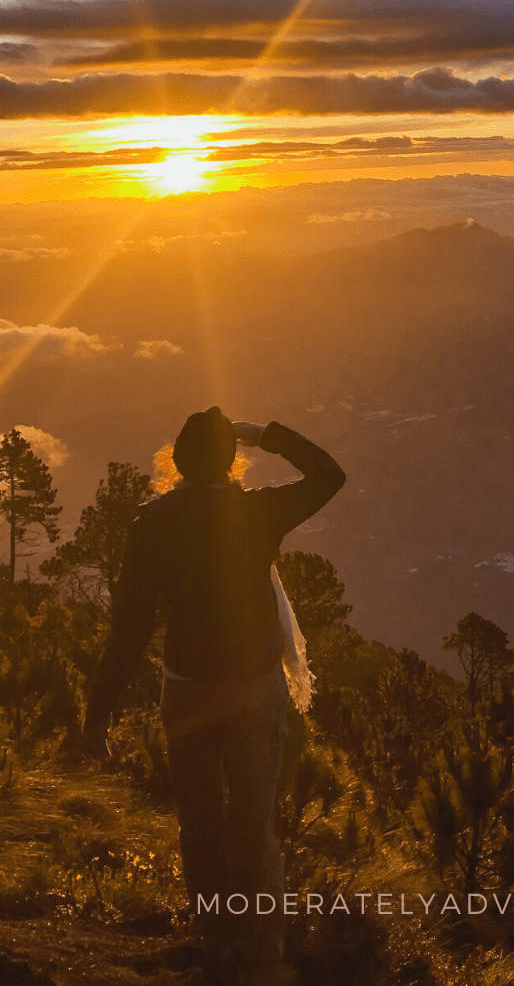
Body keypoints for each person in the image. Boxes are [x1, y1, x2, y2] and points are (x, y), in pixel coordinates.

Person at [84, 407, 346, 986]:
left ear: (176, 463)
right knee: (252, 828)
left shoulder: (151, 523)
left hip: (186, 688)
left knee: (199, 823)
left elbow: (128, 630)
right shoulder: (257, 512)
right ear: (231, 461)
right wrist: (265, 435)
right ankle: (257, 956)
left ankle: (217, 950)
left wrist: (95, 715)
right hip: (255, 688)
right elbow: (330, 475)